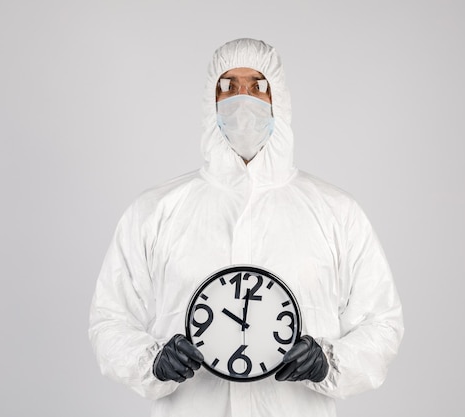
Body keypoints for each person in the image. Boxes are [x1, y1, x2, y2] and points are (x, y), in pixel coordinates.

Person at [89, 38, 404, 417]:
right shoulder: (155, 212)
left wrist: (329, 362)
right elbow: (110, 319)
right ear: (211, 101)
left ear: (279, 99)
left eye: (257, 86)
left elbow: (382, 323)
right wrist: (152, 362)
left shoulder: (336, 213)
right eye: (229, 87)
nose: (243, 101)